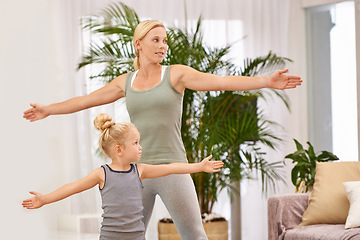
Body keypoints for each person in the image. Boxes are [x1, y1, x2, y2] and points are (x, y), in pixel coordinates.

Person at [23, 20, 302, 239]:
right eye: (155, 40)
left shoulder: (176, 74)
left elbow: (221, 81)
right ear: (138, 44)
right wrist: (49, 109)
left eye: (165, 40)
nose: (162, 46)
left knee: (195, 235)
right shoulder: (126, 82)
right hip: (134, 173)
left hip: (173, 167)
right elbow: (86, 100)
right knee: (129, 236)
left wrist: (266, 80)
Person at [22, 113, 224, 240]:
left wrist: (199, 166)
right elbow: (73, 187)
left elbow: (170, 168)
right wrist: (45, 199)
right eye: (136, 143)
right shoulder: (102, 174)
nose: (140, 147)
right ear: (119, 149)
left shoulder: (141, 170)